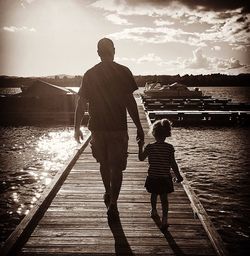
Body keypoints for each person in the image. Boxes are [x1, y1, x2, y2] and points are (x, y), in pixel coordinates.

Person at [74, 38, 144, 219]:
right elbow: (130, 102)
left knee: (104, 164)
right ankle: (113, 202)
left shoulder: (90, 74)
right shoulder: (123, 71)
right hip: (118, 129)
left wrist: (76, 128)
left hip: (97, 128)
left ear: (98, 52)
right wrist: (139, 127)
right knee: (117, 167)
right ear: (114, 50)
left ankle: (108, 192)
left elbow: (81, 104)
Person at [138, 118, 183, 231]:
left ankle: (153, 210)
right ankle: (164, 220)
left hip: (153, 176)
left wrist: (140, 146)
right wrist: (178, 176)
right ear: (167, 134)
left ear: (153, 133)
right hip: (164, 178)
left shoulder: (150, 147)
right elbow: (173, 164)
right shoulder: (169, 148)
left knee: (153, 194)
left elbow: (141, 158)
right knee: (164, 199)